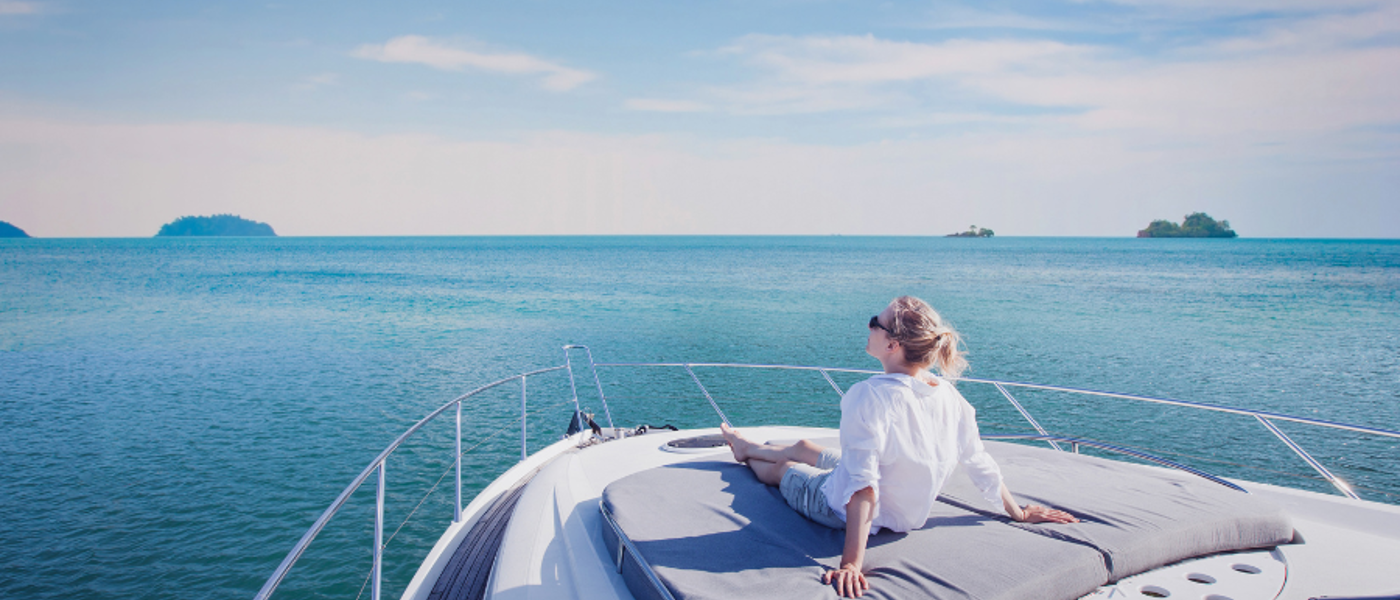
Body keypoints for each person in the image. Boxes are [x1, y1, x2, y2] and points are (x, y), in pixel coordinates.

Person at [720, 296, 1078, 598]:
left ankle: (745, 453)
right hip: (903, 511)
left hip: (837, 505)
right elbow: (978, 460)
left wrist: (851, 564)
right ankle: (759, 445)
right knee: (803, 446)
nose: (869, 325)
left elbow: (863, 488)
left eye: (875, 321)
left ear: (893, 345)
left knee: (785, 471)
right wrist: (1016, 511)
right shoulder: (948, 395)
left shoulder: (869, 396)